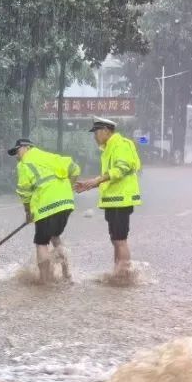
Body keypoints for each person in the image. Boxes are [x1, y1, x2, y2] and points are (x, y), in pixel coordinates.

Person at [75, 118, 141, 277]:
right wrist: (91, 184)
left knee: (120, 239)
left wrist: (96, 180)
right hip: (113, 200)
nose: (94, 136)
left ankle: (124, 276)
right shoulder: (109, 148)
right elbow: (110, 176)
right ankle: (118, 273)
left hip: (120, 199)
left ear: (106, 130)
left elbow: (121, 169)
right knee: (115, 239)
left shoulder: (120, 145)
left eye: (96, 132)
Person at [8, 138, 80, 283]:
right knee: (55, 237)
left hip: (46, 205)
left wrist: (28, 212)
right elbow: (75, 169)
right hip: (66, 204)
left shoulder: (24, 164)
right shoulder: (50, 156)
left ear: (27, 148)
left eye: (17, 150)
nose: (16, 155)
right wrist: (68, 188)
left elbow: (24, 191)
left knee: (41, 242)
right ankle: (67, 275)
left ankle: (45, 281)